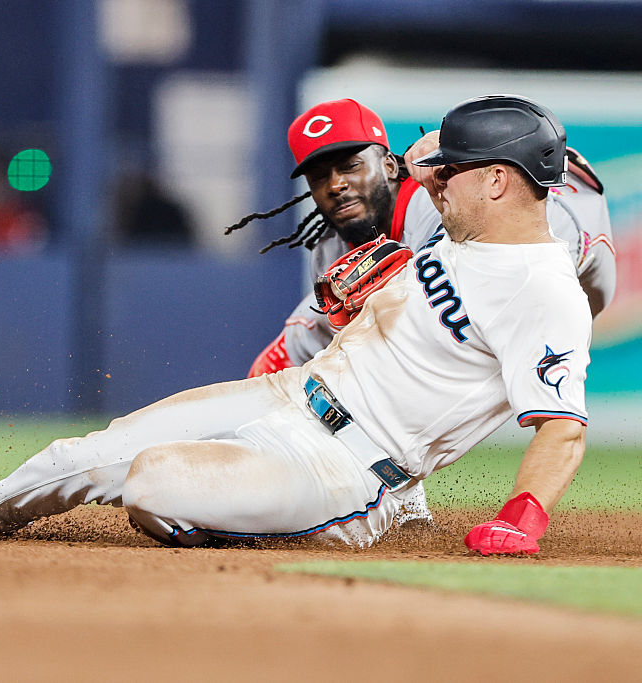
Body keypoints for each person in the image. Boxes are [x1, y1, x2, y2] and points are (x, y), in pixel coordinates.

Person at [0, 95, 591, 556]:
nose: (437, 181)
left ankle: (248, 518)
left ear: (498, 180)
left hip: (349, 466)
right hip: (295, 394)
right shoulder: (460, 237)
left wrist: (521, 515)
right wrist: (436, 159)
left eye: (456, 171)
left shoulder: (543, 288)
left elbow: (561, 425)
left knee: (150, 482)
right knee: (96, 449)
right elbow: (421, 164)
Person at [228, 98, 615, 528]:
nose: (336, 184)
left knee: (444, 322)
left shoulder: (439, 205)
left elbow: (523, 237)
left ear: (389, 165)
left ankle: (490, 505)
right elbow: (288, 353)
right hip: (461, 259)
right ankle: (401, 496)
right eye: (320, 175)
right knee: (345, 351)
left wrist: (455, 162)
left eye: (351, 165)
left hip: (578, 238)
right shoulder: (335, 247)